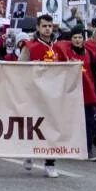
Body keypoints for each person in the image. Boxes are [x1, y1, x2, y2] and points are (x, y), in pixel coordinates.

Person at [19, 14, 67, 177]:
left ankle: (50, 163)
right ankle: (29, 152)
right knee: (34, 126)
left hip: (54, 96)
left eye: (50, 26)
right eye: (44, 26)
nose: (47, 29)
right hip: (35, 94)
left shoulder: (59, 47)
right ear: (38, 28)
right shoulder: (29, 47)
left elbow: (67, 69)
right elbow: (19, 68)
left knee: (53, 128)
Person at [66, 26, 96, 161]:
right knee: (71, 122)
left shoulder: (89, 54)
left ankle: (88, 150)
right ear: (71, 39)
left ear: (83, 39)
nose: (77, 40)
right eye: (75, 37)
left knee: (89, 122)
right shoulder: (66, 53)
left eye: (80, 37)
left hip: (87, 93)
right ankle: (70, 148)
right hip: (70, 93)